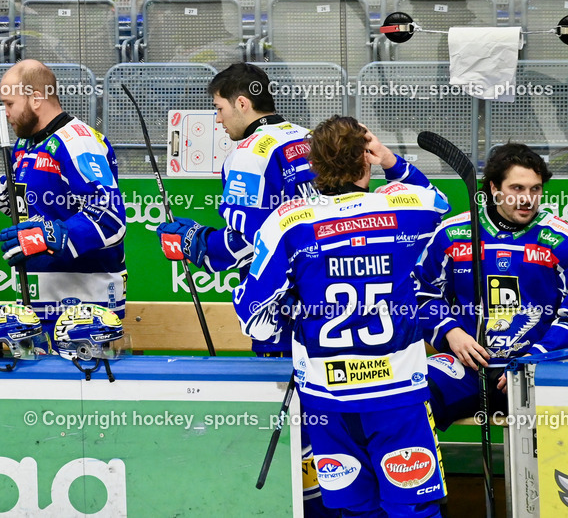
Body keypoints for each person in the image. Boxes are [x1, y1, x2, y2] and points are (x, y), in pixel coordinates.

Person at [237, 117, 450, 517]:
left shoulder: (288, 221)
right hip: (397, 396)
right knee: (413, 508)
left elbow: (254, 316)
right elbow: (439, 200)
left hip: (326, 400)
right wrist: (391, 160)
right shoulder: (403, 206)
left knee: (354, 510)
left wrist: (294, 311)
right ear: (365, 161)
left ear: (313, 167)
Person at [154, 62, 330, 515]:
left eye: (218, 109)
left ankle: (301, 505)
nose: (218, 121)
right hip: (331, 298)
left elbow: (246, 245)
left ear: (242, 103)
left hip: (281, 310)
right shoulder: (310, 138)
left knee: (293, 426)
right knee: (331, 420)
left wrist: (194, 242)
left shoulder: (250, 152)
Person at [0, 59, 127, 330]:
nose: (5, 112)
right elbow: (22, 194)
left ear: (36, 99)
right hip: (40, 298)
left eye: (9, 103)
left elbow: (110, 216)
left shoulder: (78, 142)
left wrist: (50, 235)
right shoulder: (27, 143)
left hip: (87, 302)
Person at [416, 143, 568, 430]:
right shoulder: (453, 234)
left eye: (535, 189)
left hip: (541, 366)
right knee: (413, 396)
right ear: (495, 188)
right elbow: (421, 296)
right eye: (517, 189)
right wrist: (451, 332)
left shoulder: (560, 239)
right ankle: (419, 475)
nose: (527, 199)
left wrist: (537, 357)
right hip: (470, 368)